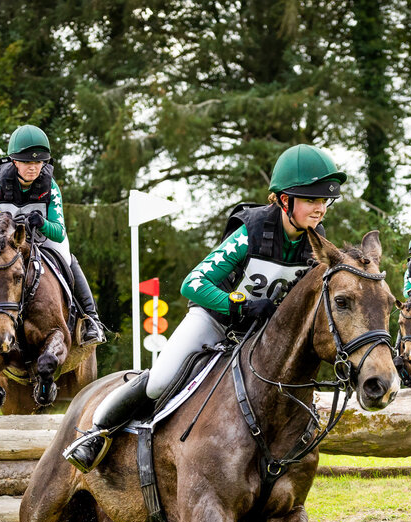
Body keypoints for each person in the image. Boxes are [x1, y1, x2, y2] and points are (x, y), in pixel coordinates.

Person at [64, 144, 346, 472]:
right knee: (159, 380)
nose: (321, 208)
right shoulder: (251, 232)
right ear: (285, 200)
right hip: (214, 320)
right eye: (312, 199)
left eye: (324, 201)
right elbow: (192, 284)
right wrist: (238, 305)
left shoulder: (317, 242)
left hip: (259, 337)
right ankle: (96, 433)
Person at [0, 124, 105, 355]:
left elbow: (59, 231)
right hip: (6, 243)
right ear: (14, 162)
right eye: (27, 162)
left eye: (39, 162)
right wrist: (4, 220)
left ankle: (91, 321)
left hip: (43, 241)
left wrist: (41, 222)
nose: (33, 167)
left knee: (69, 260)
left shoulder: (50, 187)